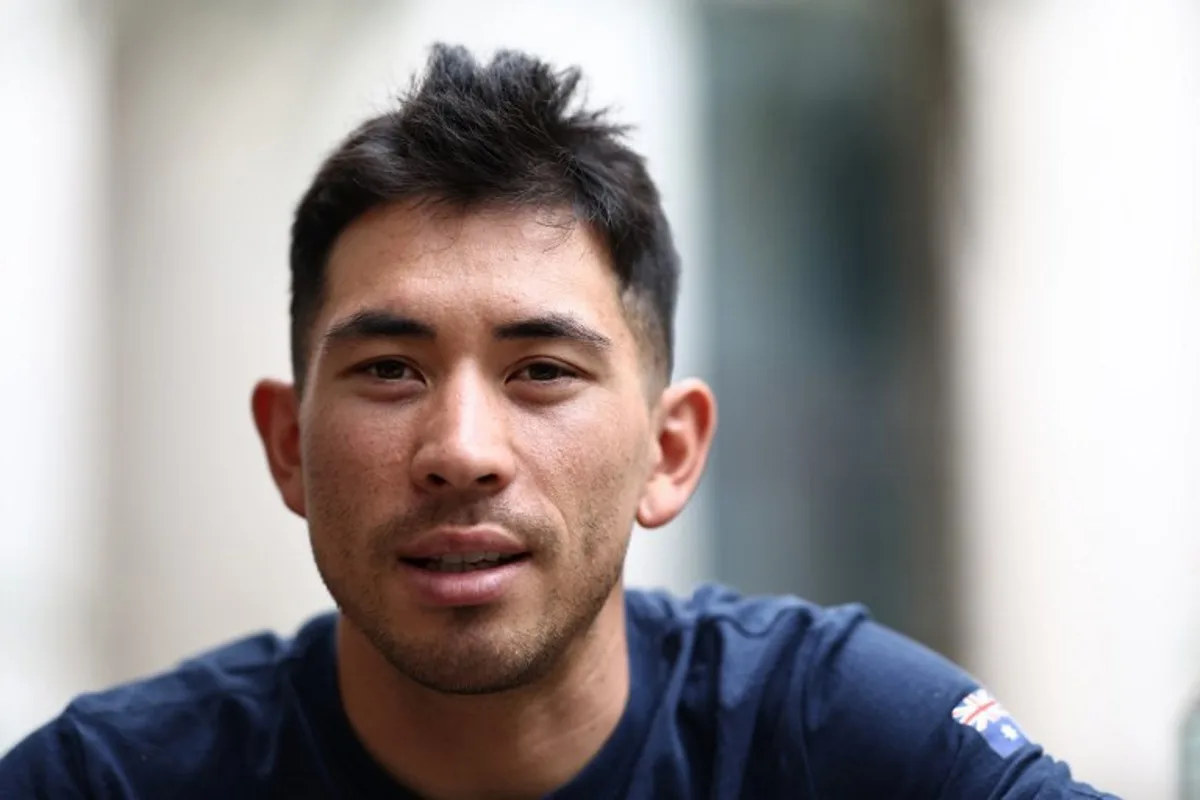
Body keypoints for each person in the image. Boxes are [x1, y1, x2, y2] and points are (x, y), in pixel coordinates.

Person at [0, 43, 1115, 800]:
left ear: (667, 450)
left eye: (540, 369)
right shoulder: (114, 779)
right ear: (290, 444)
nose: (462, 452)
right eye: (390, 367)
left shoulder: (836, 737)